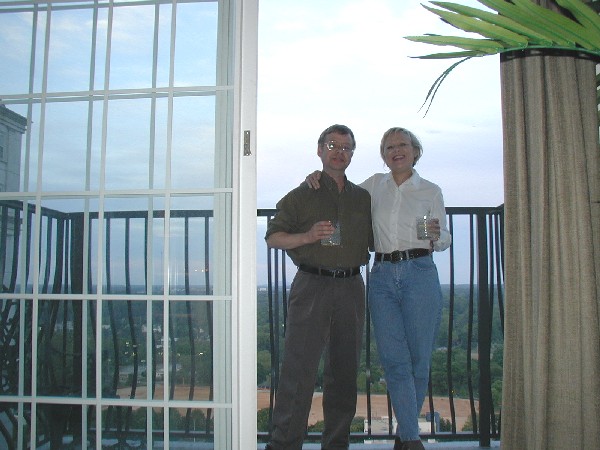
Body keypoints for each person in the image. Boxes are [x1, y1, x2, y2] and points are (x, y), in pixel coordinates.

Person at [306, 127, 451, 450]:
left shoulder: (430, 190)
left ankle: (407, 437)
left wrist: (437, 236)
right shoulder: (373, 186)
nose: (396, 150)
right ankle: (412, 439)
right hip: (383, 274)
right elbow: (339, 192)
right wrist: (315, 177)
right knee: (394, 361)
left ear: (415, 151)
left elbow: (444, 241)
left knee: (419, 361)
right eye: (389, 147)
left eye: (403, 145)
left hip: (420, 272)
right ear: (383, 156)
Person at [264, 124, 373, 450]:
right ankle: (283, 444)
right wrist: (308, 236)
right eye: (332, 145)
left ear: (352, 154)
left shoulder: (362, 197)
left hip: (352, 287)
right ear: (320, 150)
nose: (339, 151)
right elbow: (273, 237)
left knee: (344, 373)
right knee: (298, 371)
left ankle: (336, 443)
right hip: (312, 285)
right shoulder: (302, 195)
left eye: (346, 147)